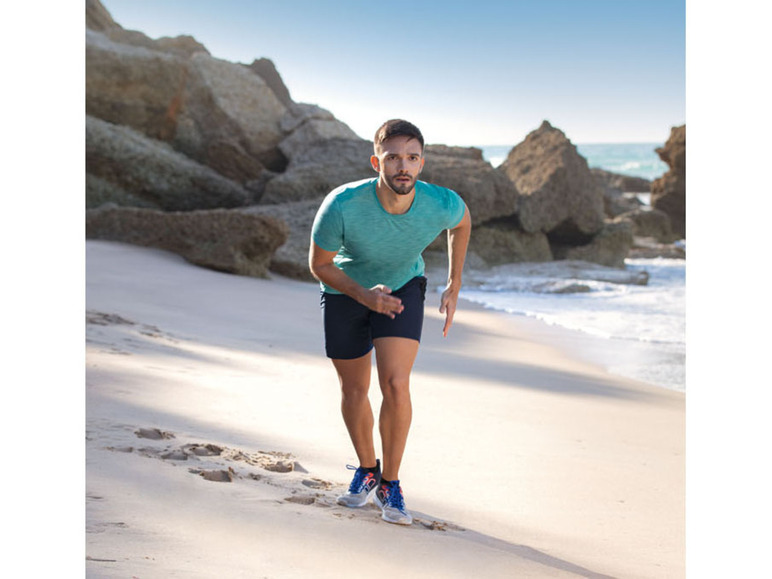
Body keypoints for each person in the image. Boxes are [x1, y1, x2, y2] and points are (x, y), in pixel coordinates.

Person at [308, 119, 472, 525]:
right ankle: (366, 468)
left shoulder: (440, 201)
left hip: (403, 286)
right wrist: (365, 296)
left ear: (421, 163)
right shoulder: (342, 203)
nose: (404, 166)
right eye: (394, 157)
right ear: (375, 161)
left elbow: (463, 222)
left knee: (396, 383)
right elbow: (319, 265)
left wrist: (454, 282)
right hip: (346, 290)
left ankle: (390, 483)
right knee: (354, 387)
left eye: (412, 158)